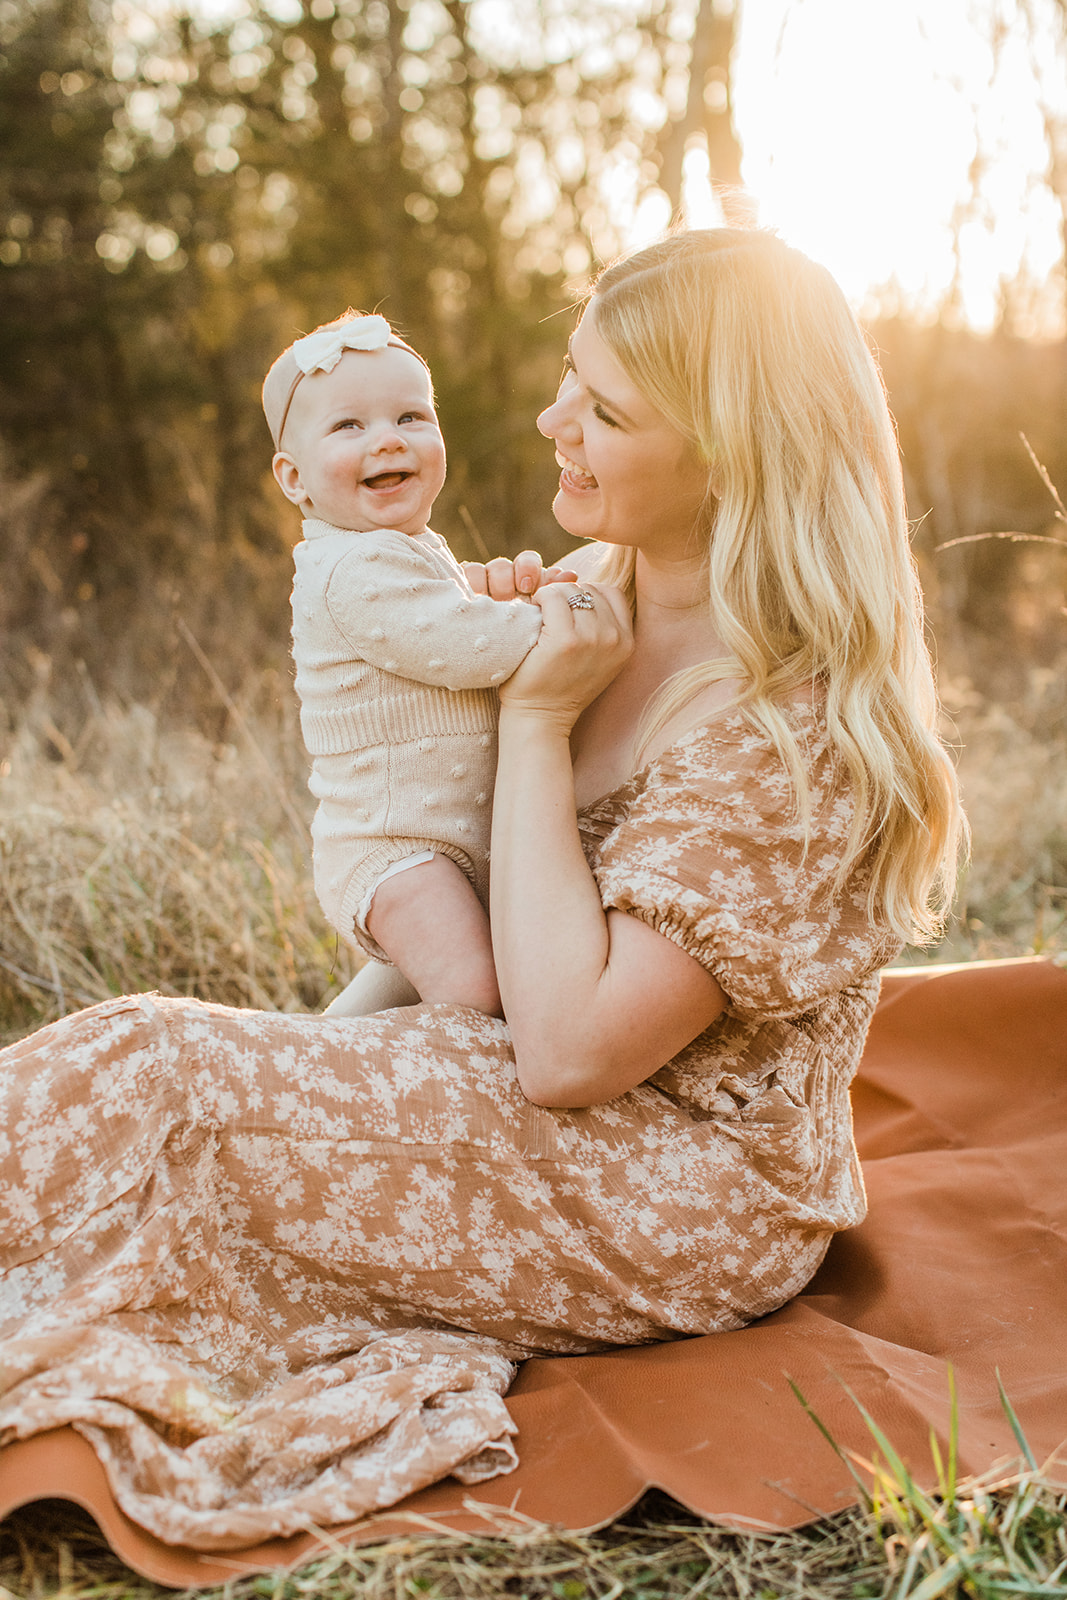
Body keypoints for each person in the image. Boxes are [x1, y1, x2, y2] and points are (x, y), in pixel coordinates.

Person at [0, 229, 964, 1551]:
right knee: (152, 1060)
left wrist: (529, 722)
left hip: (675, 1185)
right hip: (506, 1066)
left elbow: (572, 1052)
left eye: (604, 409)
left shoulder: (786, 735)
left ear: (728, 450)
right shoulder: (586, 590)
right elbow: (436, 836)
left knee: (168, 1073)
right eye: (570, 378)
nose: (547, 418)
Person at [262, 311, 573, 1018]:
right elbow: (468, 644)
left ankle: (309, 1072)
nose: (388, 438)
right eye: (349, 427)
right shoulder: (353, 568)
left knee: (375, 1013)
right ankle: (428, 1115)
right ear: (294, 478)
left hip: (445, 844)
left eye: (411, 416)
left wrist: (502, 587)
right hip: (397, 850)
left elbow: (443, 604)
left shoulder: (399, 548)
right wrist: (556, 617)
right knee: (475, 995)